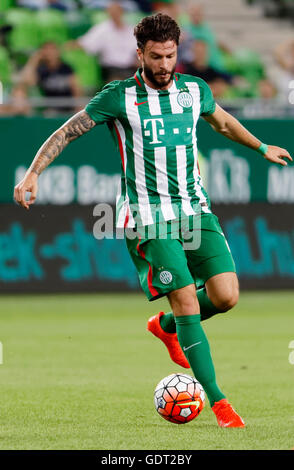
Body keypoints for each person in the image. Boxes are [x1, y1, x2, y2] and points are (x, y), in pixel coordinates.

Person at [14, 13, 292, 428]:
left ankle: (165, 327)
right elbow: (68, 132)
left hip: (195, 209)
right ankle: (219, 403)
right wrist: (34, 172)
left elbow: (222, 122)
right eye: (156, 56)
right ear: (139, 53)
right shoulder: (119, 96)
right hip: (147, 216)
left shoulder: (194, 90)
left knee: (226, 296)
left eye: (170, 55)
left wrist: (259, 146)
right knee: (185, 300)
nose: (164, 65)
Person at [69, 2, 138, 83]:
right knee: (118, 82)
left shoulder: (131, 30)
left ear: (122, 12)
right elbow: (86, 43)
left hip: (131, 67)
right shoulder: (102, 29)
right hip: (110, 68)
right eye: (112, 11)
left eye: (117, 11)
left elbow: (139, 48)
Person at [19, 41, 82, 114]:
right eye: (46, 50)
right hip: (48, 109)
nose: (50, 53)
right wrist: (34, 60)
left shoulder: (66, 68)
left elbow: (76, 89)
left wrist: (78, 107)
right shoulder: (41, 69)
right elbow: (27, 81)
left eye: (52, 49)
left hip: (67, 107)